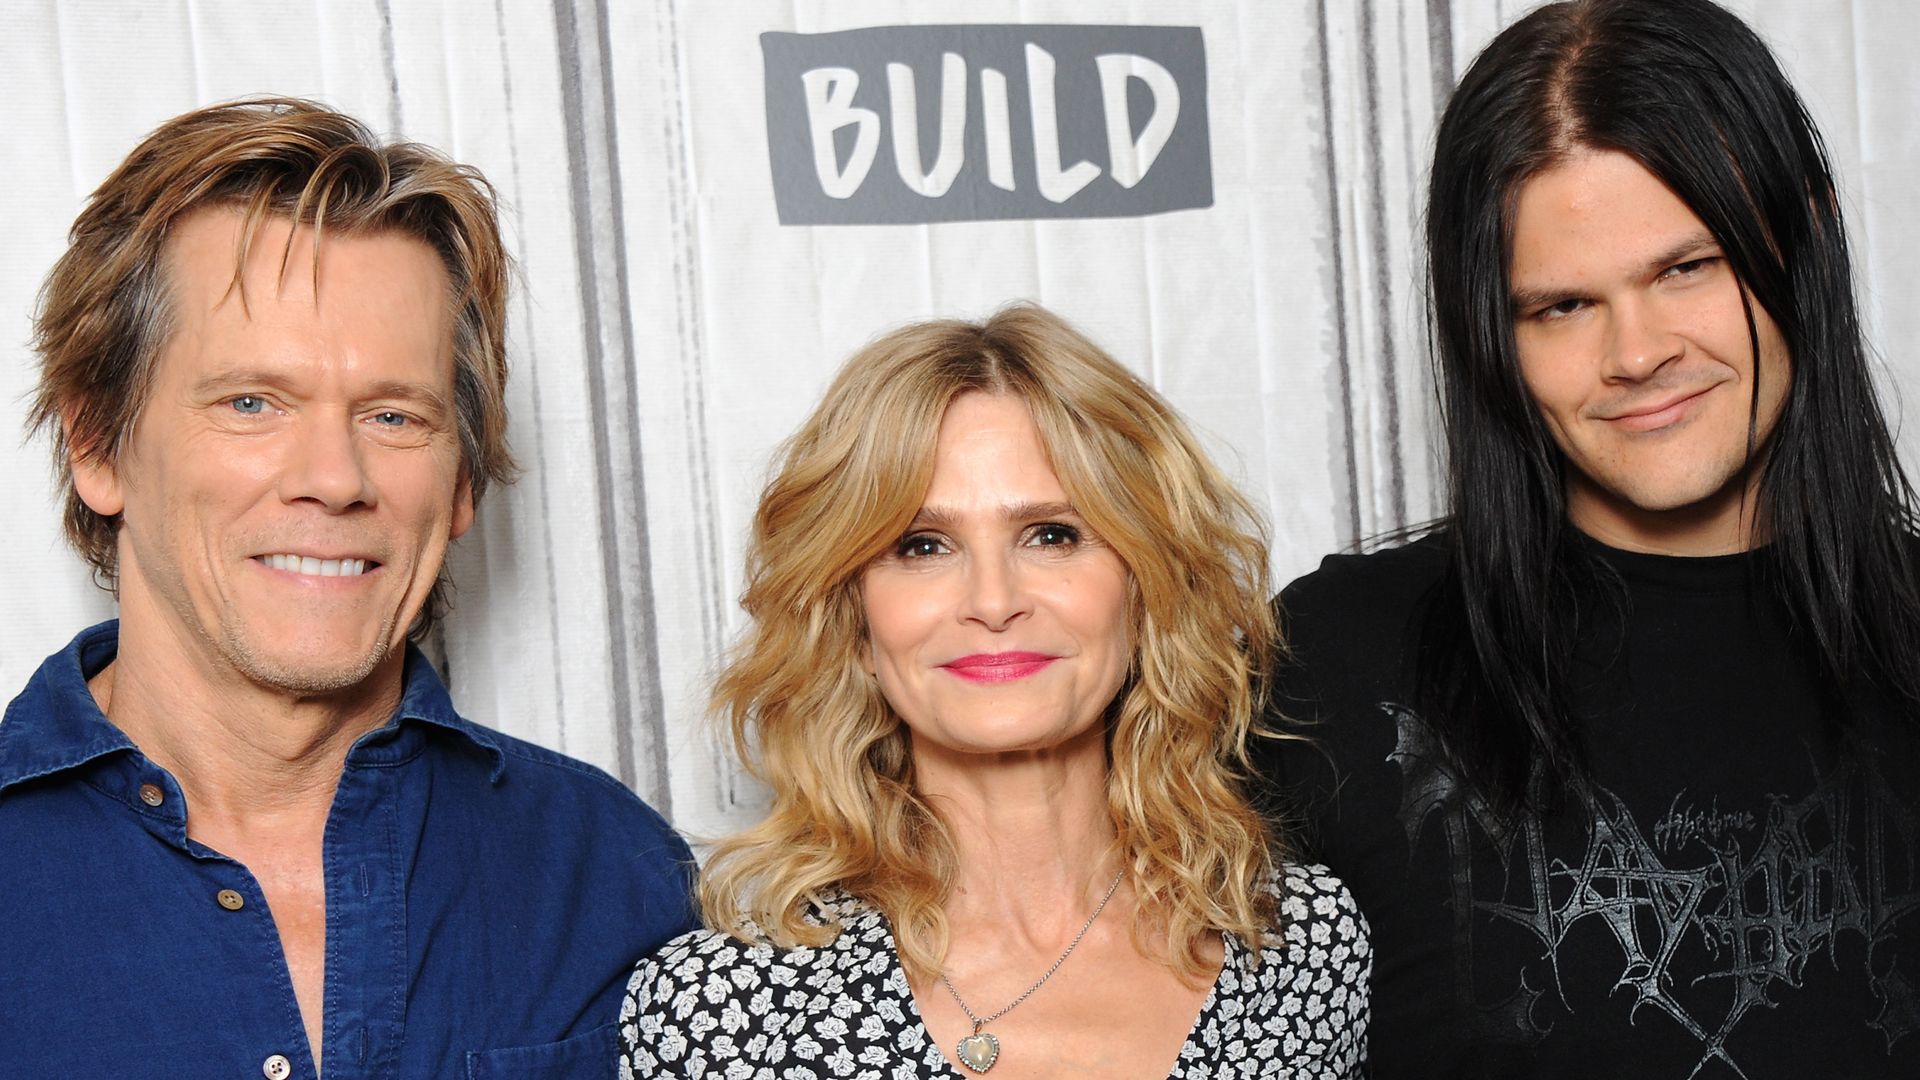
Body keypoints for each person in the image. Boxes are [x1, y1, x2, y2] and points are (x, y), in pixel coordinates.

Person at [1258, 0, 1920, 1076]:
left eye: (1686, 268)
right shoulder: (1337, 662)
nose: (1637, 352)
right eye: (1561, 306)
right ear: (1489, 332)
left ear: (1806, 236)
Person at [0, 99, 695, 1077]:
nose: (335, 476)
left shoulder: (611, 876)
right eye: (252, 402)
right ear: (96, 445)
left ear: (461, 482)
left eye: (394, 416)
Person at [616, 305, 1369, 1078]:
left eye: (1052, 535)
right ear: (853, 623)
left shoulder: (1300, 947)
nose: (994, 598)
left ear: (1146, 595)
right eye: (921, 545)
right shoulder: (723, 1011)